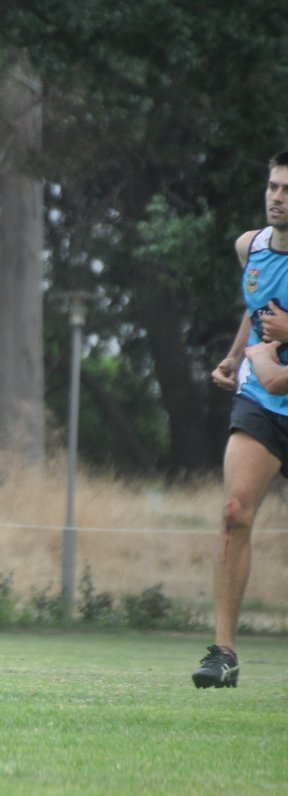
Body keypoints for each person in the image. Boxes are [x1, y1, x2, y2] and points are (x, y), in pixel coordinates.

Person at [198, 149, 288, 688]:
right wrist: (237, 355)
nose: (278, 197)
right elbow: (256, 306)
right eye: (274, 187)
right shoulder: (249, 248)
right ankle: (223, 653)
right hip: (261, 402)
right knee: (234, 512)